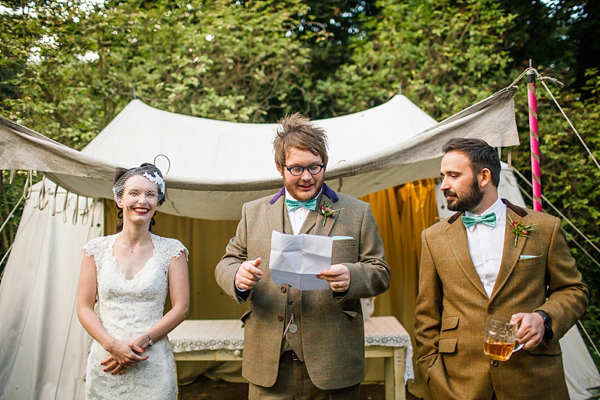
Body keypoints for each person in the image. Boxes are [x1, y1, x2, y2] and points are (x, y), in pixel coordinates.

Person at [215, 113, 391, 399]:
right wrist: (237, 275)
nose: (307, 177)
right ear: (279, 167)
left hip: (333, 363)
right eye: (296, 169)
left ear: (325, 164)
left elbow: (380, 271)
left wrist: (352, 276)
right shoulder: (253, 212)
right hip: (267, 364)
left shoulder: (357, 212)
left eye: (315, 167)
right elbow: (227, 261)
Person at [414, 138, 588, 400]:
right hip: (460, 385)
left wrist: (544, 318)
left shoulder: (544, 228)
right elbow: (426, 317)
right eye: (443, 176)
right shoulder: (433, 237)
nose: (444, 185)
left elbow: (574, 290)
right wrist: (433, 375)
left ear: (484, 176)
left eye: (453, 175)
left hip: (533, 379)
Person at [77, 163, 189, 400]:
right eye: (134, 193)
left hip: (152, 362)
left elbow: (181, 308)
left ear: (158, 203)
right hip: (106, 361)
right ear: (120, 199)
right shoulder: (95, 250)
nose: (143, 200)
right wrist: (112, 345)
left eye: (150, 194)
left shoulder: (172, 251)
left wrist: (140, 341)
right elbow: (84, 307)